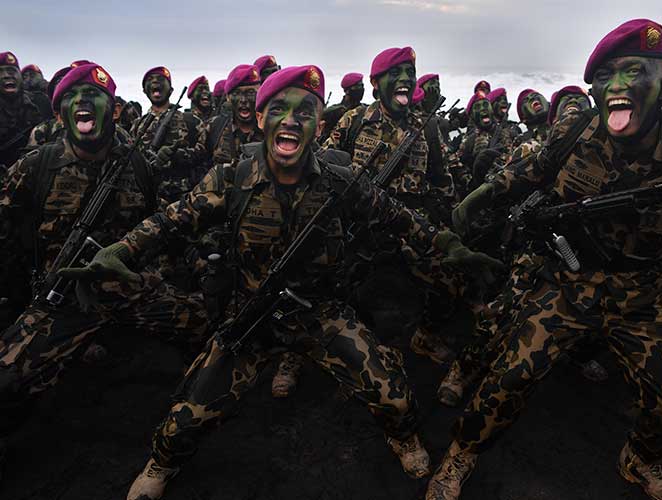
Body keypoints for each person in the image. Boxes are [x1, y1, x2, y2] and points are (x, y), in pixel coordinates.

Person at [60, 65, 501, 500]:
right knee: (184, 422)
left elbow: (398, 216)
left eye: (304, 112)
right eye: (280, 110)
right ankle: (163, 463)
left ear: (319, 124)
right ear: (261, 116)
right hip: (252, 317)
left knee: (398, 403)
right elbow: (168, 221)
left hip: (321, 314)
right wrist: (120, 250)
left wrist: (447, 243)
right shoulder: (232, 176)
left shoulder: (339, 181)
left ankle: (402, 438)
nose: (291, 120)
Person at [426, 19, 662, 500]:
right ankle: (462, 453)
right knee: (508, 379)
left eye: (634, 71)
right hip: (567, 283)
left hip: (642, 299)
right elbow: (528, 170)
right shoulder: (577, 131)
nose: (617, 85)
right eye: (605, 75)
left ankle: (640, 459)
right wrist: (481, 195)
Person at [0, 63, 208, 479]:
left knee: (209, 327)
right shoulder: (35, 167)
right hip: (62, 303)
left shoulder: (140, 165)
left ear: (112, 109)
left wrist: (194, 266)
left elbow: (159, 227)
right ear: (59, 114)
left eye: (95, 95)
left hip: (131, 291)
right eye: (71, 97)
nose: (84, 102)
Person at [323, 46, 464, 367]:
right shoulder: (355, 121)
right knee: (333, 288)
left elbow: (444, 181)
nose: (405, 79)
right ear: (375, 83)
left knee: (451, 279)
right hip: (357, 228)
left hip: (411, 228)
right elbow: (326, 169)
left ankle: (424, 335)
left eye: (409, 74)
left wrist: (447, 228)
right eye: (395, 74)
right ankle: (350, 347)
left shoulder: (427, 128)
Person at [131, 66, 194, 201]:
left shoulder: (191, 120)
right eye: (150, 80)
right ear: (144, 91)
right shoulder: (137, 125)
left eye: (160, 79)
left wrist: (177, 155)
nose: (155, 82)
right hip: (146, 196)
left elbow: (204, 156)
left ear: (171, 90)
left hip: (179, 198)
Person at [0, 52, 44, 169]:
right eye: (0, 72)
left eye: (11, 71)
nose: (6, 76)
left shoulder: (40, 102)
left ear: (20, 76)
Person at [320, 72, 366, 143]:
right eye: (357, 86)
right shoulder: (334, 111)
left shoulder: (366, 110)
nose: (361, 89)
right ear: (347, 90)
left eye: (362, 86)